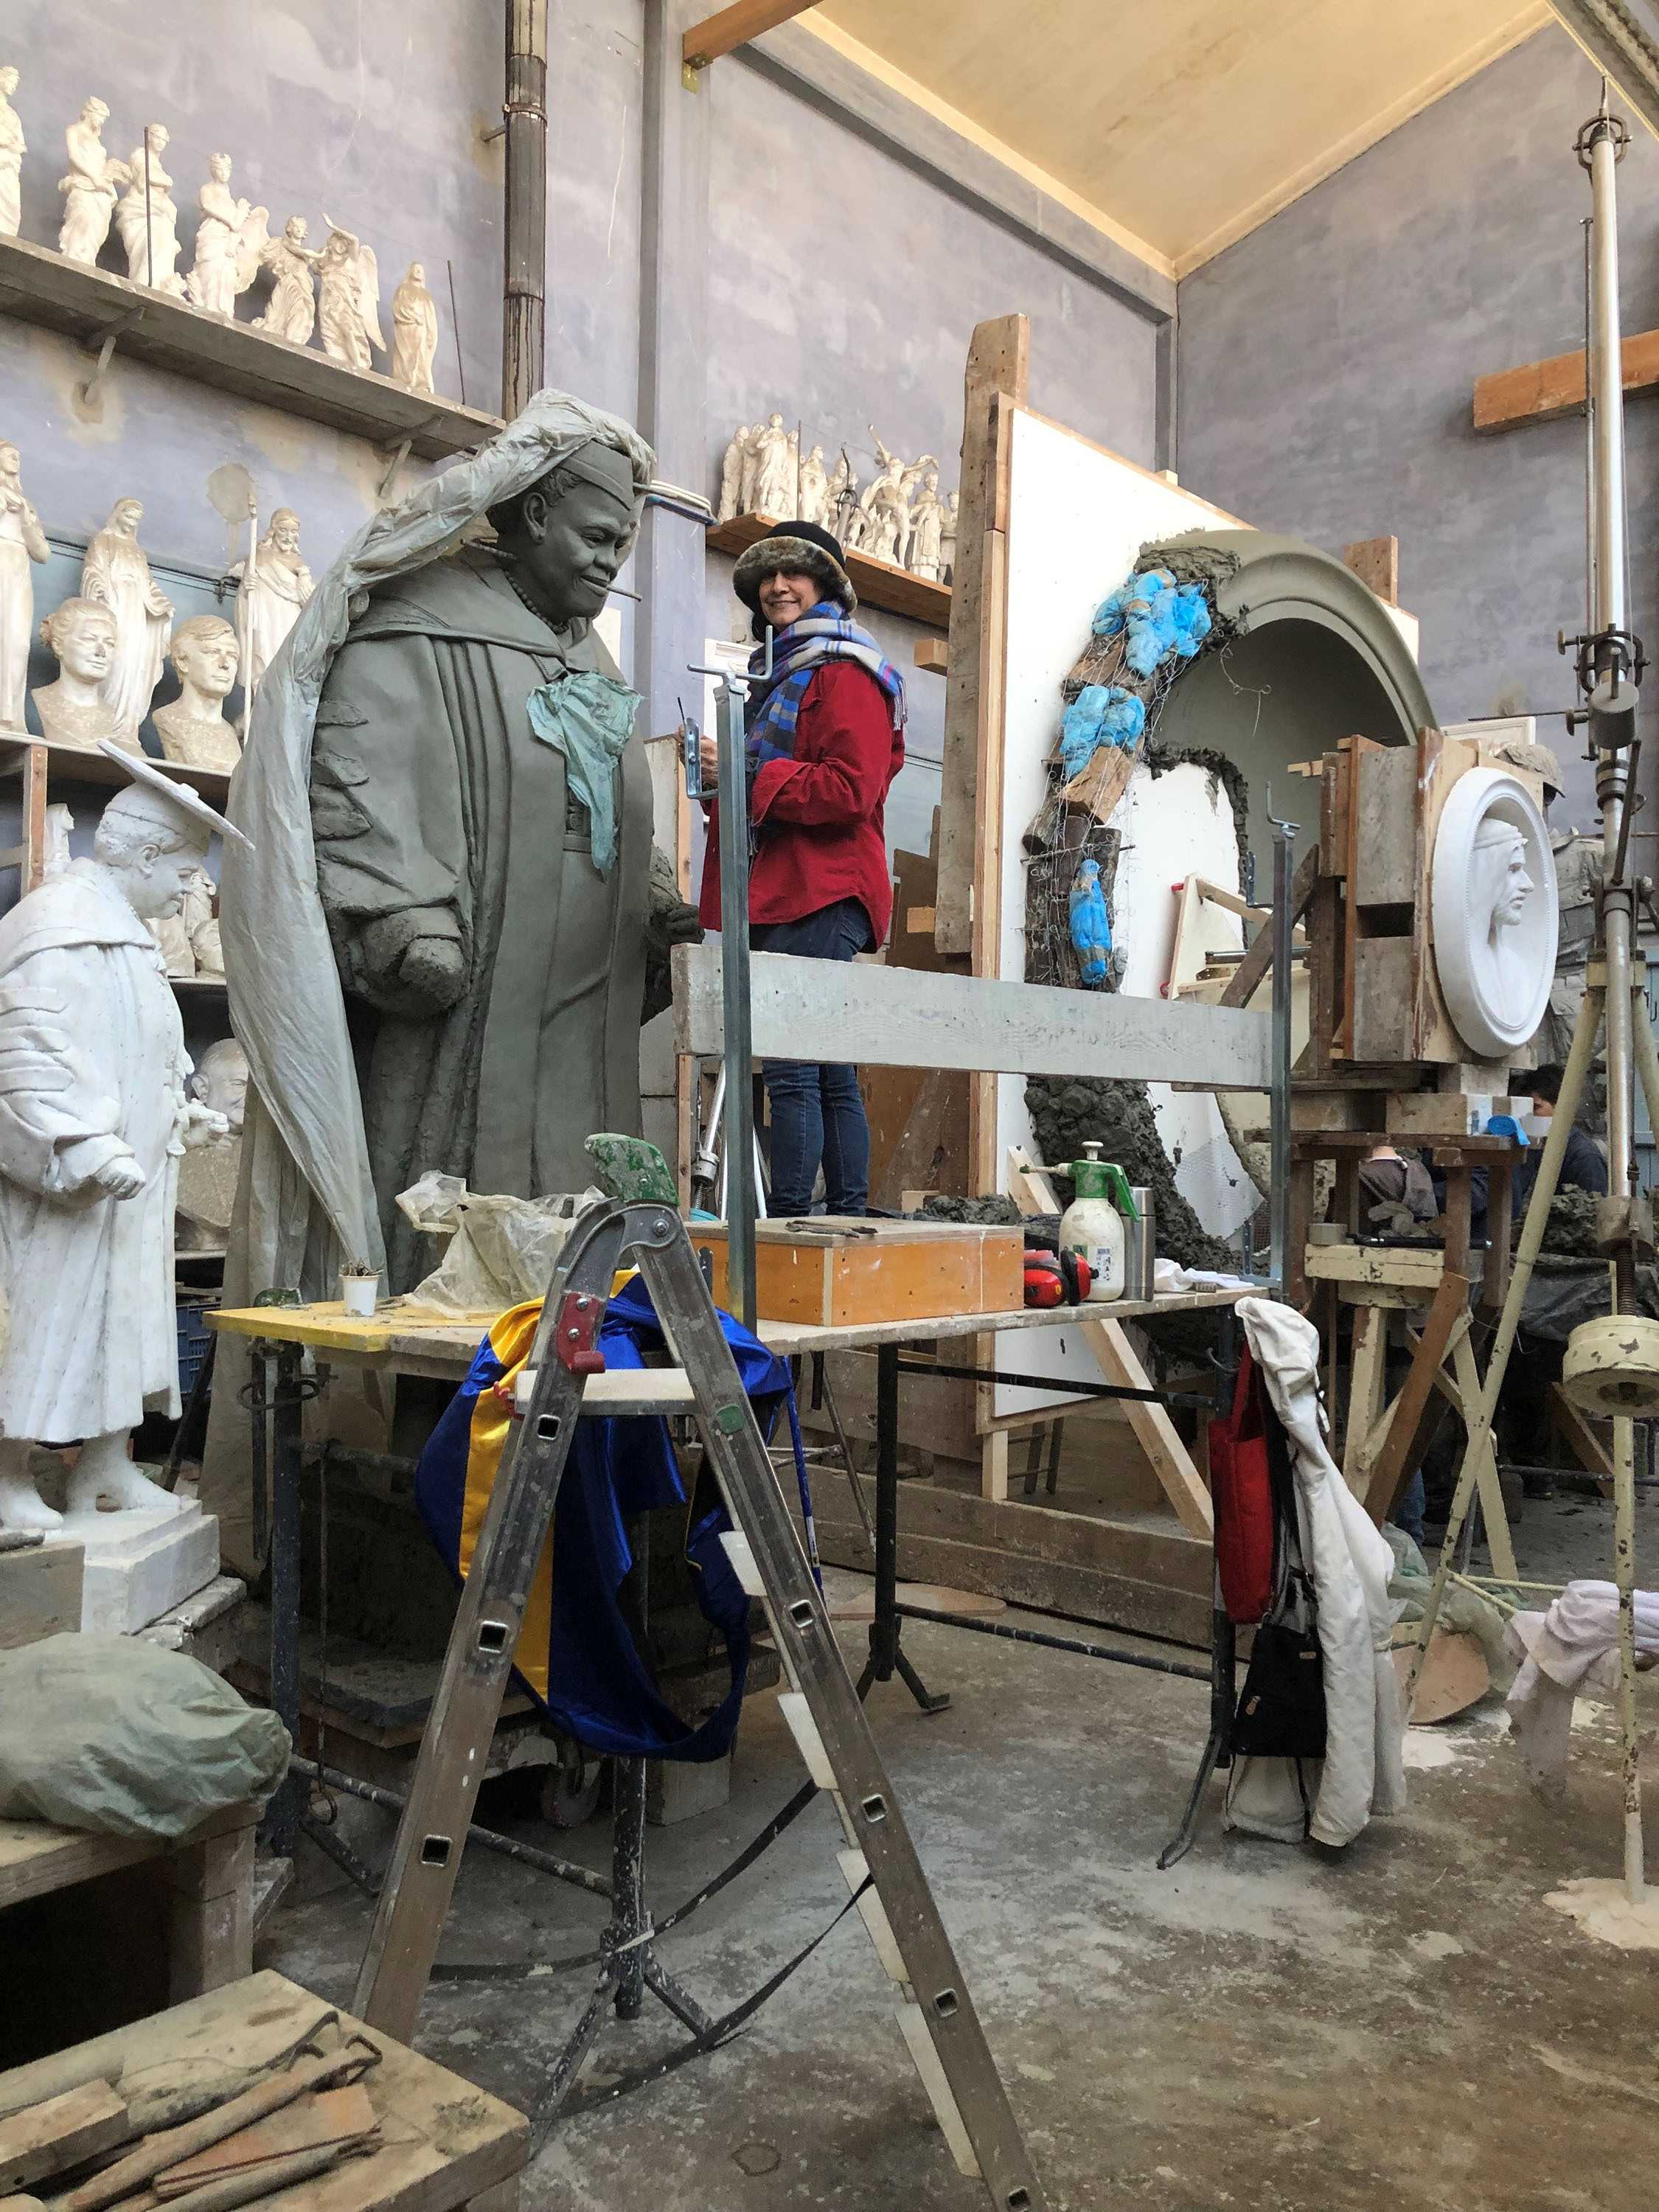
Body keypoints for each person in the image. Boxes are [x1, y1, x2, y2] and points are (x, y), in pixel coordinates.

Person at [696, 521, 904, 1217]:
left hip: (823, 890)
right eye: (767, 577)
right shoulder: (777, 677)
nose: (778, 586)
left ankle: (787, 1223)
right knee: (826, 1064)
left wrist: (750, 770)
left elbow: (853, 788)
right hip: (788, 890)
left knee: (792, 1067)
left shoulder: (845, 673)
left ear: (827, 587)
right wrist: (725, 778)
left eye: (796, 573)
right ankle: (844, 1213)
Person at [1515, 1060, 1608, 1207]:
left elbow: (1590, 1216)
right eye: (1521, 1107)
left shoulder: (1584, 1158)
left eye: (1535, 1107)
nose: (1527, 1115)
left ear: (1560, 1105)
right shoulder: (1525, 1146)